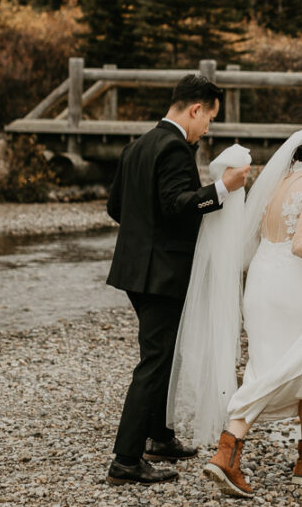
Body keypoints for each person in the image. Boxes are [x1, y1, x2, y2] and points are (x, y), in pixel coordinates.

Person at [176, 125, 302, 499]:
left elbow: (264, 236)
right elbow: (301, 244)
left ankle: (293, 459)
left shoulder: (278, 179)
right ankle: (239, 456)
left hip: (262, 282)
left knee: (283, 364)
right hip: (291, 287)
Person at [103, 75, 250, 486]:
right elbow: (177, 206)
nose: (208, 130)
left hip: (135, 270)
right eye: (209, 120)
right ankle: (126, 460)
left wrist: (144, 237)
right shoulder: (172, 147)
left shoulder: (138, 145)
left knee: (165, 353)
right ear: (195, 109)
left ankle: (160, 437)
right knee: (156, 360)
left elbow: (117, 207)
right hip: (160, 274)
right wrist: (222, 187)